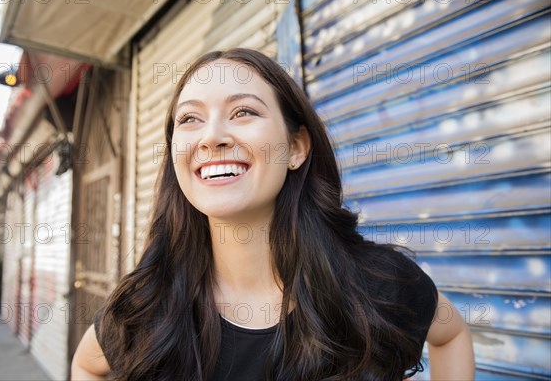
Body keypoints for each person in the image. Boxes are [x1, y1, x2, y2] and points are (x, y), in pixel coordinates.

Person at [71, 48, 475, 380]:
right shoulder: (146, 306)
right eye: (190, 118)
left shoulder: (378, 284)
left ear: (296, 147)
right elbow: (88, 365)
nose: (211, 137)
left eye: (243, 112)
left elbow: (451, 334)